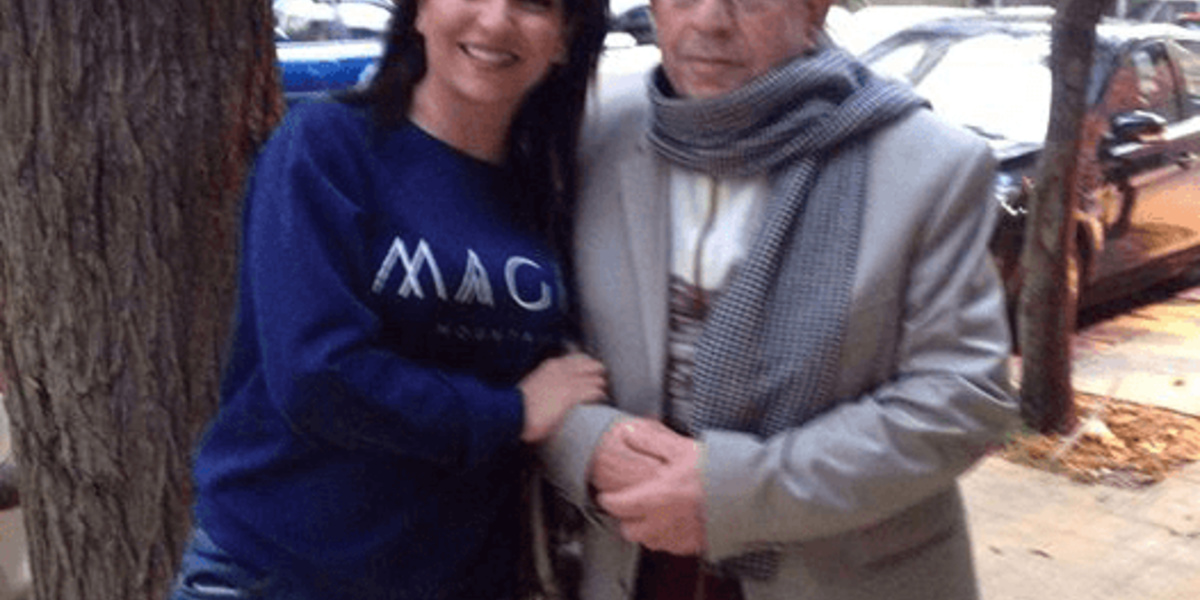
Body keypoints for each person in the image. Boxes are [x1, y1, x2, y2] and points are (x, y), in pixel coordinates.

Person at [538, 0, 1022, 599]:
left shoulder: (929, 165)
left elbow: (961, 399)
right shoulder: (596, 132)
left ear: (814, 11)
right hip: (632, 563)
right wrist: (586, 442)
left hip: (839, 577)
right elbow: (534, 327)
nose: (710, 20)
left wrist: (732, 495)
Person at [169, 0, 608, 598]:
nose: (496, 19)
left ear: (564, 39)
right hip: (277, 573)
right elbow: (317, 376)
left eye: (532, 3)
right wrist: (509, 412)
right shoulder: (327, 146)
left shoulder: (547, 191)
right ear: (419, 12)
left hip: (458, 581)